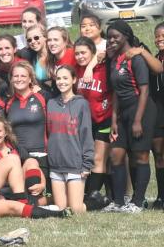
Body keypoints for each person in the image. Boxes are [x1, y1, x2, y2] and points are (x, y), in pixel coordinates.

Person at [104, 19, 157, 213]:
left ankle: (138, 201)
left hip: (141, 110)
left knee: (140, 156)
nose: (111, 40)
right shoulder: (115, 60)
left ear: (126, 36)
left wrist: (137, 121)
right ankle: (118, 201)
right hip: (123, 112)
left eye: (115, 36)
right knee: (116, 154)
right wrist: (114, 120)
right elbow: (116, 92)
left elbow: (144, 91)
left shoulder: (136, 58)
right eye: (109, 37)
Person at [47, 65, 94, 214]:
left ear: (74, 80)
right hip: (56, 164)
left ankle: (95, 203)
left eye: (65, 78)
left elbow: (86, 134)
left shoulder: (82, 104)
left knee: (75, 210)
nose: (61, 82)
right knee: (61, 210)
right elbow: (49, 133)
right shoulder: (51, 104)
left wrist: (87, 164)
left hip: (75, 164)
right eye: (58, 78)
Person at [74, 36, 112, 208]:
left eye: (84, 53)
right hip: (86, 122)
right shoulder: (76, 69)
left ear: (92, 52)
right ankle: (93, 194)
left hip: (104, 119)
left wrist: (92, 65)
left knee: (99, 158)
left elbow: (105, 53)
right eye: (77, 54)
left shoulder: (105, 67)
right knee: (87, 159)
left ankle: (93, 195)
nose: (80, 56)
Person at [149, 22, 164, 208]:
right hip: (158, 115)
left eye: (163, 35)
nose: (160, 39)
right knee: (159, 156)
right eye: (157, 36)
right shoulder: (154, 60)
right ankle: (161, 196)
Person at [19, 25, 52, 89]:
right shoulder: (31, 58)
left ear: (45, 37)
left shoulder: (54, 54)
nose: (33, 41)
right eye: (29, 40)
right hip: (42, 94)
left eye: (36, 38)